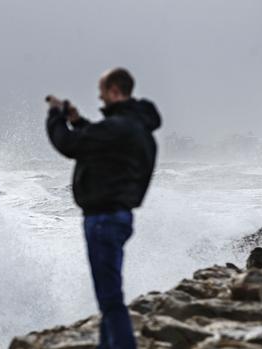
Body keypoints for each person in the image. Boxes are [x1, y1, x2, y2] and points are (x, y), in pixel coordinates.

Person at [45, 68, 161, 349]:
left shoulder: (118, 128)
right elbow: (100, 144)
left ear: (114, 91)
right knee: (109, 296)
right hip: (119, 216)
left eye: (102, 91)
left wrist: (56, 116)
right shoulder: (137, 129)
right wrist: (78, 121)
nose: (99, 97)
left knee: (110, 300)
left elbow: (69, 144)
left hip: (103, 219)